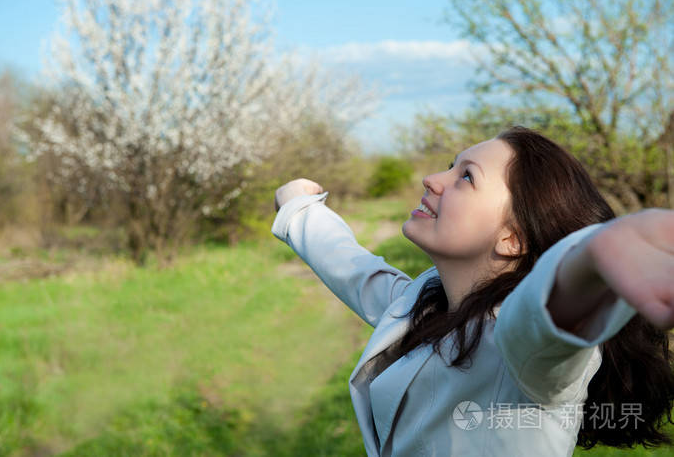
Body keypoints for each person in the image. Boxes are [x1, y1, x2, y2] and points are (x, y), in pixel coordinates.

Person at [271, 126, 674, 456]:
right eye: (452, 166)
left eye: (466, 176)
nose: (432, 179)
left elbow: (548, 314)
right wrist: (301, 210)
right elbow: (359, 273)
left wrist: (594, 260)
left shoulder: (519, 346)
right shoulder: (429, 304)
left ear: (512, 238)